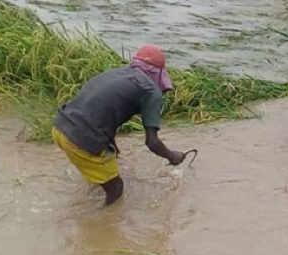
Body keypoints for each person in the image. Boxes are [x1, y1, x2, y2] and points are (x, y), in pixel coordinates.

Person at [52, 45, 187, 205]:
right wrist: (173, 156)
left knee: (102, 176)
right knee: (116, 188)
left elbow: (102, 113)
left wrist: (113, 148)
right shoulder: (151, 91)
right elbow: (152, 142)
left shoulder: (114, 74)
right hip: (81, 141)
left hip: (60, 128)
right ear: (158, 73)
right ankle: (101, 227)